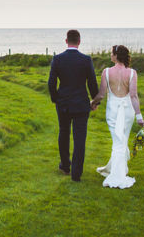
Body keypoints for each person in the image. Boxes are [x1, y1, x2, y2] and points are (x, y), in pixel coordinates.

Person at [48, 29, 99, 182]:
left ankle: (65, 166)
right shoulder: (86, 60)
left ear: (66, 41)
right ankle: (76, 174)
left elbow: (51, 83)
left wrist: (55, 99)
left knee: (63, 133)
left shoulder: (57, 59)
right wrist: (95, 101)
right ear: (79, 41)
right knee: (80, 138)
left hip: (63, 104)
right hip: (81, 105)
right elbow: (92, 82)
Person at [90, 44, 143, 189]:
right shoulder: (132, 73)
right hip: (127, 112)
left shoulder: (106, 72)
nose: (110, 55)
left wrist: (92, 102)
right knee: (122, 140)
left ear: (116, 55)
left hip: (113, 111)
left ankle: (117, 175)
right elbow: (133, 96)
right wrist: (139, 116)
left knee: (118, 141)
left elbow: (101, 94)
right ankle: (119, 170)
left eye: (111, 53)